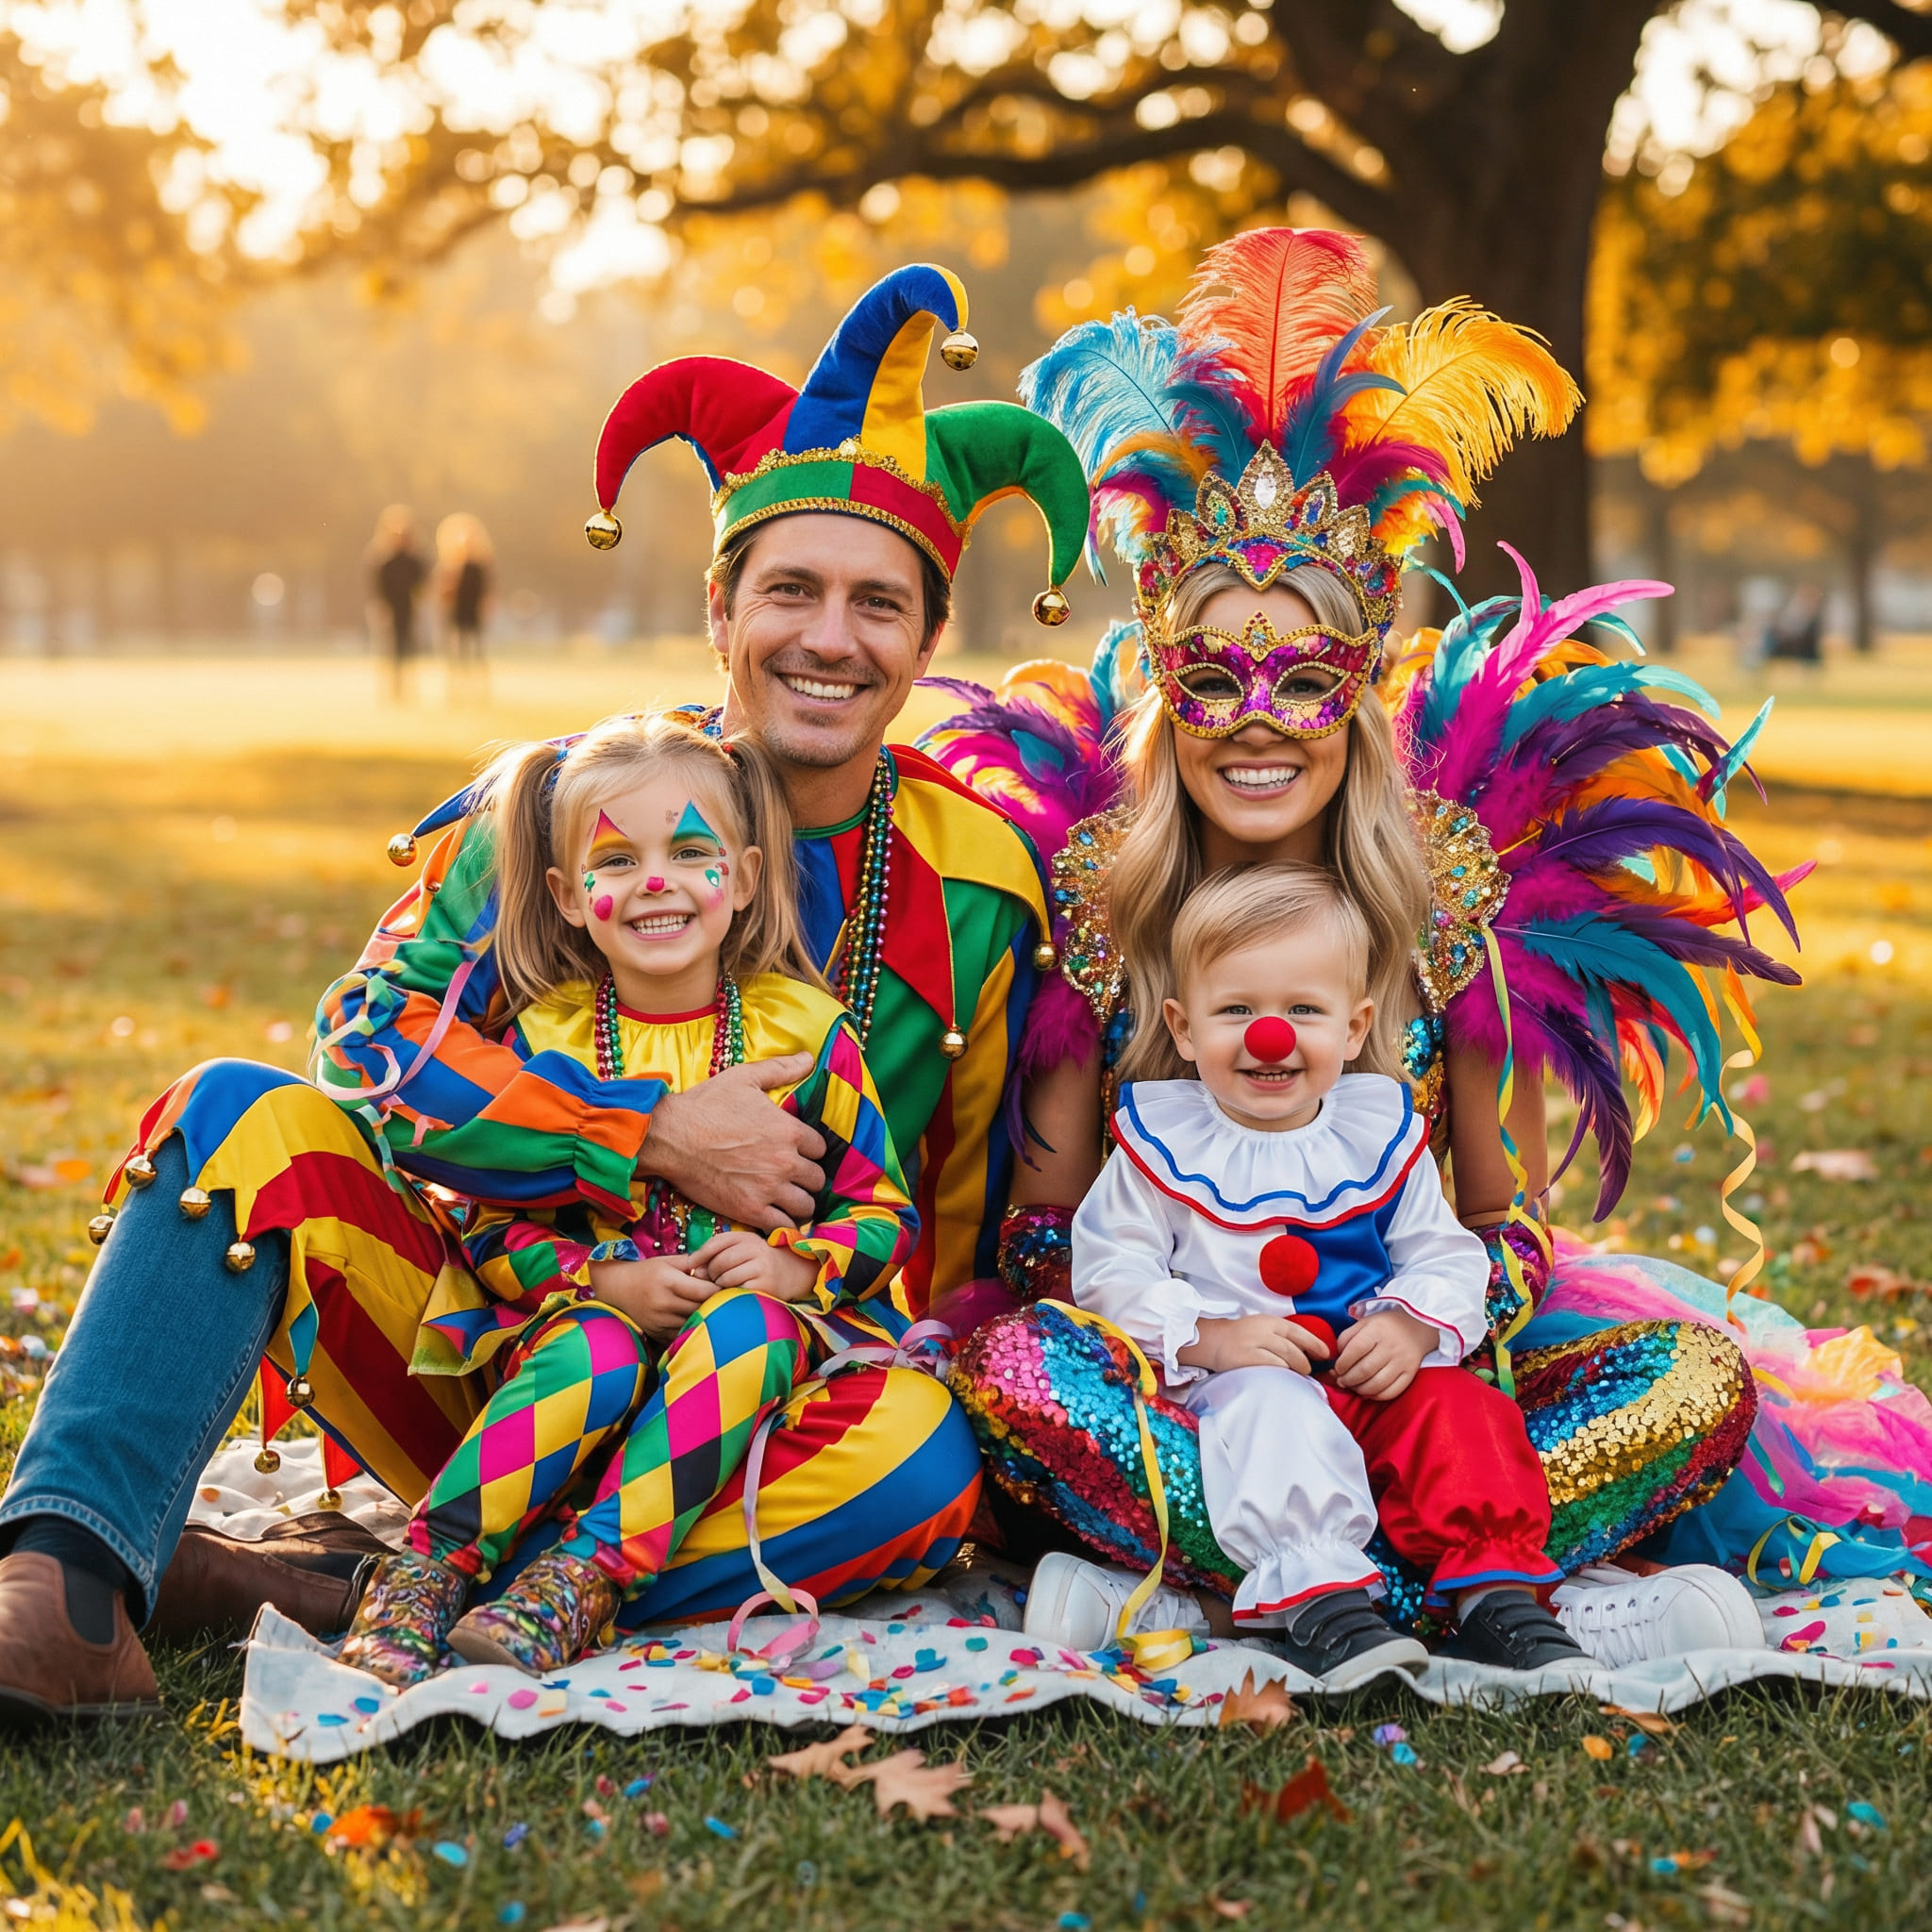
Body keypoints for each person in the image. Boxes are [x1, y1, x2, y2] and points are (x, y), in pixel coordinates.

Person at [0, 262, 1091, 1724]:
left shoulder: (985, 887)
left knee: (927, 1459)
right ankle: (64, 1586)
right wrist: (639, 1130)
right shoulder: (564, 806)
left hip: (762, 1406)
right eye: (791, 591)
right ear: (719, 606)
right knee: (230, 1128)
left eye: (877, 603)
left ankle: (355, 1589)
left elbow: (958, 1245)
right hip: (500, 1355)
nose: (830, 638)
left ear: (927, 641)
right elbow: (373, 1048)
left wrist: (822, 1286)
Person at [932, 228, 1803, 1666]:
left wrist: (1406, 1322)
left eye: (1303, 673)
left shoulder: (1447, 910)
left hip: (1417, 1378)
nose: (1261, 715)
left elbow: (1499, 1226)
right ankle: (1466, 1589)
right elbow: (1044, 1245)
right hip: (1196, 1384)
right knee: (1012, 1373)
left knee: (1692, 1380)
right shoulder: (1100, 906)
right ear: (1163, 688)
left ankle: (1240, 1589)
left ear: (1361, 690)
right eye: (1214, 675)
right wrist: (1206, 1330)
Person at [338, 712, 918, 1684]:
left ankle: (582, 1574)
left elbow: (881, 1212)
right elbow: (486, 1215)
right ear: (568, 897)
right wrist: (598, 1277)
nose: (654, 880)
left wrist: (791, 1264)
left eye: (688, 851)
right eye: (617, 860)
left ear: (736, 876)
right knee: (593, 1351)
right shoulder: (544, 1041)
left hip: (750, 1370)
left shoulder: (807, 1033)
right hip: (583, 1330)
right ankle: (432, 1565)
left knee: (750, 1331)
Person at [1040, 864, 1590, 1682]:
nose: (1272, 1037)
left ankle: (1496, 1591)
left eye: (1304, 1010)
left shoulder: (1382, 1136)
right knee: (1274, 1415)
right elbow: (1111, 1266)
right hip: (1239, 1389)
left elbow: (1443, 1251)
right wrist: (1210, 1339)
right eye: (1237, 1011)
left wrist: (1411, 1323)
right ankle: (1324, 1603)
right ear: (1183, 1031)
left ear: (1357, 1024)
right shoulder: (1160, 1150)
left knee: (1461, 1409)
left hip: (1374, 1381)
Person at [369, 505, 427, 700]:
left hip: (409, 610)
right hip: (389, 611)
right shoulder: (384, 561)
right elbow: (378, 589)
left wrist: (418, 600)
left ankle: (408, 689)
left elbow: (421, 585)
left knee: (408, 649)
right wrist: (382, 609)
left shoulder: (414, 561)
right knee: (390, 651)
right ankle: (392, 690)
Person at [435, 512, 492, 689]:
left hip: (473, 613)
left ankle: (478, 686)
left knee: (476, 651)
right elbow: (443, 594)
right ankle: (457, 687)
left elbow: (486, 592)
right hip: (456, 614)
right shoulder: (450, 567)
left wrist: (485, 609)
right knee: (457, 652)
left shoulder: (480, 567)